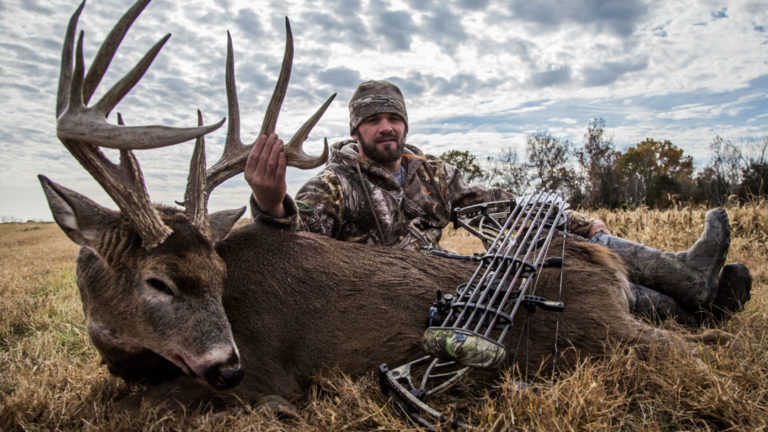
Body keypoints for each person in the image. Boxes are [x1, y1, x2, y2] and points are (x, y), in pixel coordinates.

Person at [245, 80, 751, 324]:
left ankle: (687, 281)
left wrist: (578, 223)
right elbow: (299, 244)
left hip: (442, 277)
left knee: (546, 249)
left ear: (405, 125)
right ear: (356, 129)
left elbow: (504, 208)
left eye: (393, 118)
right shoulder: (336, 183)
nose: (386, 127)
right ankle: (690, 312)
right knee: (546, 298)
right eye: (374, 120)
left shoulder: (433, 174)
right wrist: (271, 204)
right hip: (391, 303)